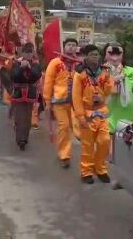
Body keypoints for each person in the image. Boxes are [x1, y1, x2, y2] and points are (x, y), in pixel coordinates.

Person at [73, 44, 114, 184]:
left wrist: (109, 78)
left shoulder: (104, 72)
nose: (95, 57)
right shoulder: (80, 74)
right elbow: (76, 97)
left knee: (105, 141)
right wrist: (80, 117)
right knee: (87, 145)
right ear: (86, 56)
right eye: (92, 54)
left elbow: (109, 91)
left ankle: (100, 168)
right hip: (87, 113)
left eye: (97, 54)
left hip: (101, 111)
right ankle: (86, 171)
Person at [43, 38, 80, 168]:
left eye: (74, 45)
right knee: (63, 127)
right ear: (64, 47)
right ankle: (64, 155)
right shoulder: (56, 62)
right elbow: (48, 82)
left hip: (76, 103)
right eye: (69, 45)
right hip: (59, 101)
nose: (71, 47)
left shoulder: (79, 64)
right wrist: (47, 100)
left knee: (75, 128)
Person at [10, 43, 42, 151]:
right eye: (26, 52)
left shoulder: (36, 65)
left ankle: (25, 138)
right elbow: (14, 77)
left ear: (33, 53)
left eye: (30, 52)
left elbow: (36, 77)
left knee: (28, 118)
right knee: (20, 116)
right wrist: (20, 68)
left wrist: (28, 68)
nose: (28, 54)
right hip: (19, 92)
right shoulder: (16, 63)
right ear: (22, 53)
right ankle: (20, 140)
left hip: (30, 93)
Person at [103, 43, 133, 134]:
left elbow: (124, 89)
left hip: (127, 112)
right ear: (105, 54)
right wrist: (115, 77)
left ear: (123, 55)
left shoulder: (130, 71)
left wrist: (116, 75)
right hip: (107, 112)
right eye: (111, 53)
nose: (115, 57)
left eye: (118, 54)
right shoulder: (100, 71)